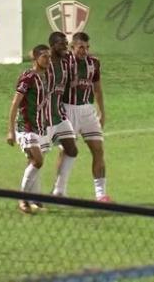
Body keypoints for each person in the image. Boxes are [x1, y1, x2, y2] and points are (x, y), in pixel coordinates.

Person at [56, 32, 112, 202]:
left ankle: (101, 194)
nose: (84, 51)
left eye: (87, 48)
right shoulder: (64, 61)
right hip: (68, 109)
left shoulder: (94, 63)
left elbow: (97, 89)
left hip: (88, 111)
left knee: (98, 149)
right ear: (72, 47)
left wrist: (101, 111)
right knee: (66, 151)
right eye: (81, 47)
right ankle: (59, 191)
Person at [7, 44, 52, 214]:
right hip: (25, 127)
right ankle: (22, 198)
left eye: (49, 56)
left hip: (39, 127)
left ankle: (34, 198)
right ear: (35, 58)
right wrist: (10, 130)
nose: (48, 60)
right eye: (44, 57)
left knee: (33, 162)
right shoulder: (28, 77)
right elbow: (15, 103)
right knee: (38, 160)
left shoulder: (45, 76)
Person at [46, 32, 79, 197]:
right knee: (37, 158)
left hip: (59, 115)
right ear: (52, 45)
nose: (65, 47)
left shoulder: (66, 63)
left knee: (71, 149)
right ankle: (28, 197)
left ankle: (59, 191)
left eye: (66, 43)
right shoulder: (45, 64)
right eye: (62, 44)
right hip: (44, 117)